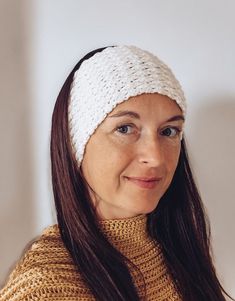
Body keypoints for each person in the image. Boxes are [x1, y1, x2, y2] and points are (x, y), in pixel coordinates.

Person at [0, 45, 234, 301]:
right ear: (76, 142)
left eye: (169, 131)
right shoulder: (45, 289)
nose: (155, 157)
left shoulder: (177, 252)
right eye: (125, 128)